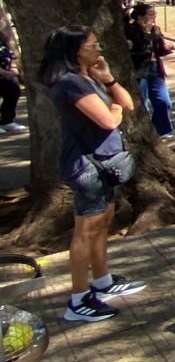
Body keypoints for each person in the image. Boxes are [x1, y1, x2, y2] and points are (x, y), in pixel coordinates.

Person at [39, 27, 148, 323]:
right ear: (75, 50)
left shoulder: (87, 78)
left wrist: (108, 79)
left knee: (102, 223)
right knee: (86, 231)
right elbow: (109, 120)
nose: (99, 49)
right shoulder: (70, 83)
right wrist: (115, 110)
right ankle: (78, 299)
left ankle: (102, 280)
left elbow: (128, 104)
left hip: (106, 163)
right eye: (92, 45)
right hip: (87, 166)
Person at [124, 2, 175, 138]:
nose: (154, 17)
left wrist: (167, 47)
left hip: (155, 69)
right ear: (140, 17)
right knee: (142, 104)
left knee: (164, 102)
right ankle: (146, 133)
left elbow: (159, 50)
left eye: (155, 14)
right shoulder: (130, 30)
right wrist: (146, 33)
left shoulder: (155, 29)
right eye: (151, 14)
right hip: (139, 70)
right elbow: (141, 49)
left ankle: (161, 130)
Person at [0, 22, 22, 134]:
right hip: (3, 73)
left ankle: (7, 121)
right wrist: (3, 72)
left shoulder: (3, 40)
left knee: (14, 91)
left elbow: (11, 56)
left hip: (6, 75)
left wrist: (13, 69)